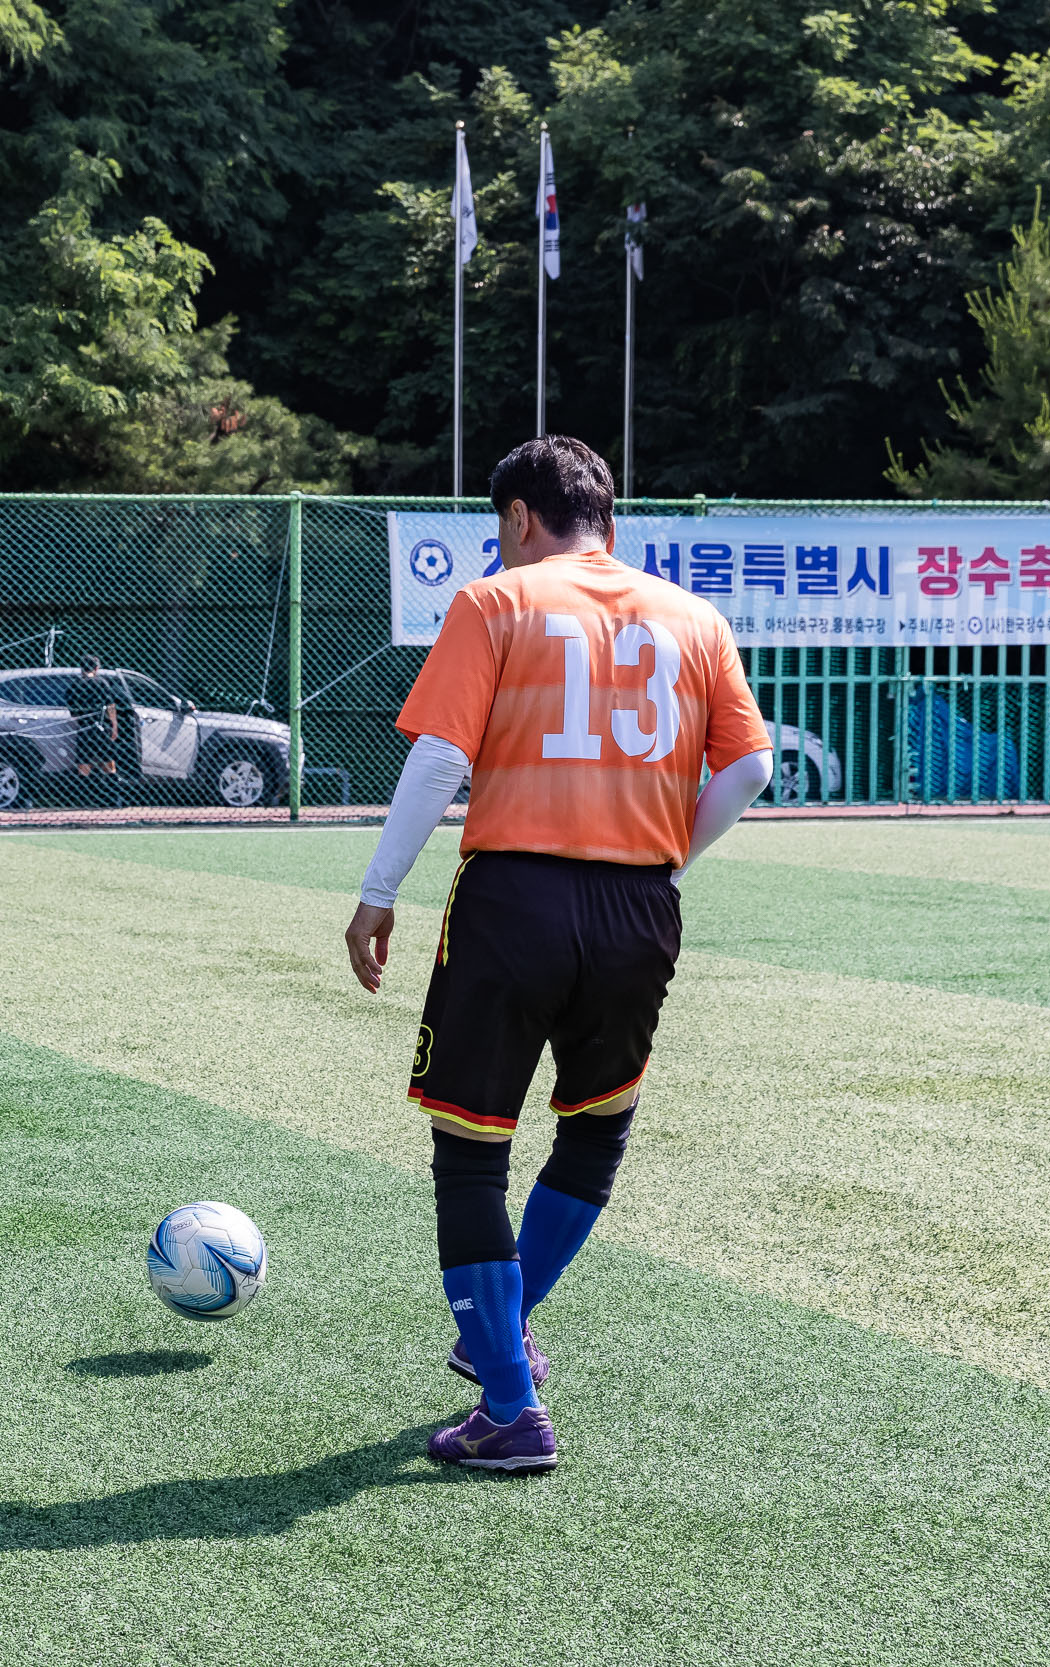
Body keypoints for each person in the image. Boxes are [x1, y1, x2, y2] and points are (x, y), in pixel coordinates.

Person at [343, 436, 773, 1473]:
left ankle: (509, 1401)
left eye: (500, 530)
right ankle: (500, 1339)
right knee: (594, 1131)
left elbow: (443, 753)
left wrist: (377, 889)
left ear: (521, 520)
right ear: (608, 523)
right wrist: (664, 866)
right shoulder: (694, 616)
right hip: (638, 907)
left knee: (470, 1148)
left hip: (515, 896)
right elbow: (750, 765)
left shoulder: (497, 603)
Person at [67, 655, 126, 807]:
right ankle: (114, 799)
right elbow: (110, 707)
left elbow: (73, 713)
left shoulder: (75, 685)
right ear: (96, 668)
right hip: (102, 728)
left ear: (82, 668)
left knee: (84, 764)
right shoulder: (102, 683)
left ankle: (84, 800)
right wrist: (114, 726)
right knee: (108, 763)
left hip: (85, 728)